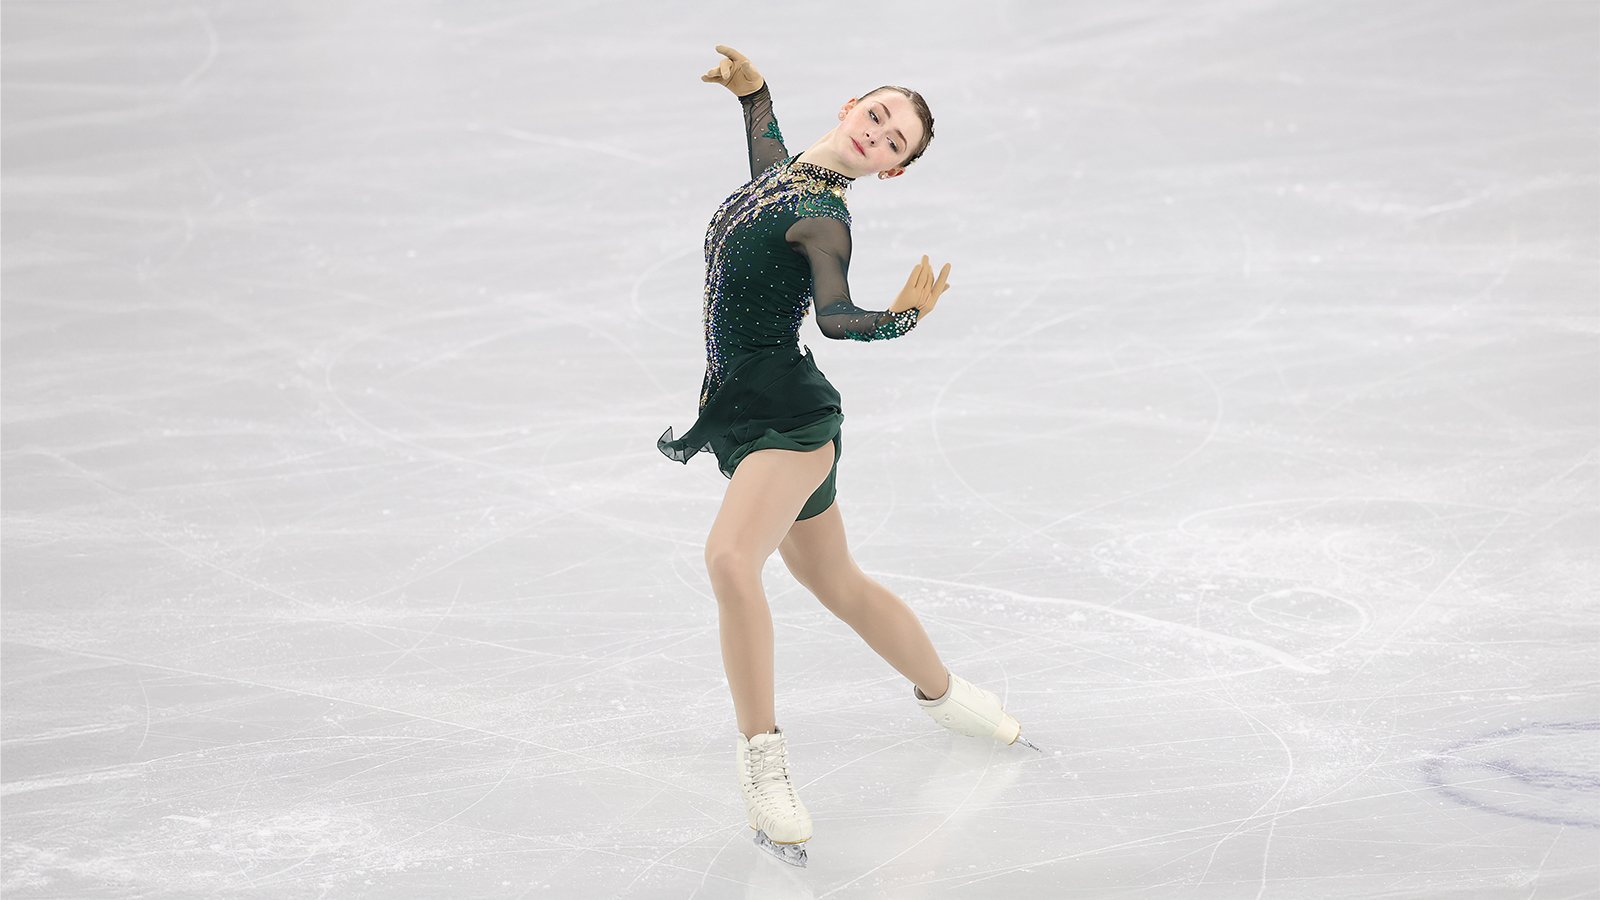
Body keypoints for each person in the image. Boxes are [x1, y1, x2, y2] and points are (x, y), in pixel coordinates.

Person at [657, 45, 1040, 868]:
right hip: (742, 409)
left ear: (895, 172)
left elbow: (833, 317)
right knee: (838, 583)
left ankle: (763, 763)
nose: (880, 135)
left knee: (730, 561)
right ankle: (953, 698)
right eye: (878, 116)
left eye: (896, 142)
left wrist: (897, 319)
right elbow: (766, 161)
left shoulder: (825, 219)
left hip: (790, 426)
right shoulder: (787, 179)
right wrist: (753, 92)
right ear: (850, 105)